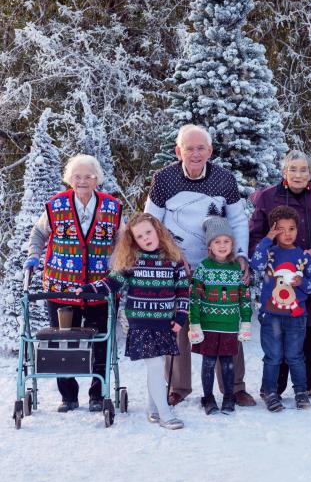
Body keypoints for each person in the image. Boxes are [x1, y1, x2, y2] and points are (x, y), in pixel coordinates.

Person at [145, 124, 255, 407]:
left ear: (210, 151)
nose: (195, 154)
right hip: (177, 262)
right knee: (178, 324)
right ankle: (178, 386)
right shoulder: (164, 179)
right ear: (178, 151)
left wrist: (240, 255)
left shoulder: (224, 179)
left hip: (219, 262)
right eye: (189, 148)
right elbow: (151, 223)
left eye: (200, 148)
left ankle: (235, 385)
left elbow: (238, 220)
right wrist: (173, 257)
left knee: (224, 320)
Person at [26, 154, 122, 413]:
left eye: (88, 176)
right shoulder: (56, 205)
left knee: (100, 340)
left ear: (97, 179)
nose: (82, 181)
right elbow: (38, 233)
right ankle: (67, 396)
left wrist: (118, 266)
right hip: (61, 286)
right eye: (77, 176)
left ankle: (97, 394)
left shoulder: (112, 207)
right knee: (62, 341)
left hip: (99, 290)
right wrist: (34, 255)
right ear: (69, 178)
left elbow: (122, 242)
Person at [76, 213, 189, 430]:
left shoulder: (173, 260)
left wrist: (180, 316)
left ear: (158, 231)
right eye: (140, 236)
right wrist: (88, 289)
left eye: (149, 232)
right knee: (155, 364)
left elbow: (183, 291)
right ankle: (165, 413)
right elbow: (111, 283)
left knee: (155, 368)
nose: (146, 238)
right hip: (141, 323)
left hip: (164, 322)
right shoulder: (132, 262)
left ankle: (153, 409)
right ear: (133, 241)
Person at [250, 150, 311, 399]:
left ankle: (306, 383)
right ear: (284, 172)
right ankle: (274, 386)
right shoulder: (267, 198)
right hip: (278, 276)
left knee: (310, 330)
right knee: (280, 328)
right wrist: (265, 254)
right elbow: (255, 234)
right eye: (293, 169)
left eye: (304, 169)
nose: (298, 175)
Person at [250, 205, 311, 412]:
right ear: (274, 230)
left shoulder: (303, 257)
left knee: (295, 356)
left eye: (291, 228)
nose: (287, 233)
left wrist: (301, 283)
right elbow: (256, 264)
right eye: (281, 229)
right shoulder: (269, 254)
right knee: (273, 356)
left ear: (297, 230)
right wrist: (266, 239)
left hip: (296, 316)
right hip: (271, 315)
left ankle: (300, 391)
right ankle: (269, 391)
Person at [187, 217, 253, 415]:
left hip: (229, 325)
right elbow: (194, 298)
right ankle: (208, 397)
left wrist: (246, 322)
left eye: (226, 241)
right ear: (210, 246)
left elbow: (244, 297)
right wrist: (194, 324)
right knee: (208, 363)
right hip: (207, 325)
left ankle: (228, 396)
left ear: (232, 244)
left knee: (227, 362)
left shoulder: (237, 269)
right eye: (217, 242)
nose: (222, 246)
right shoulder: (204, 268)